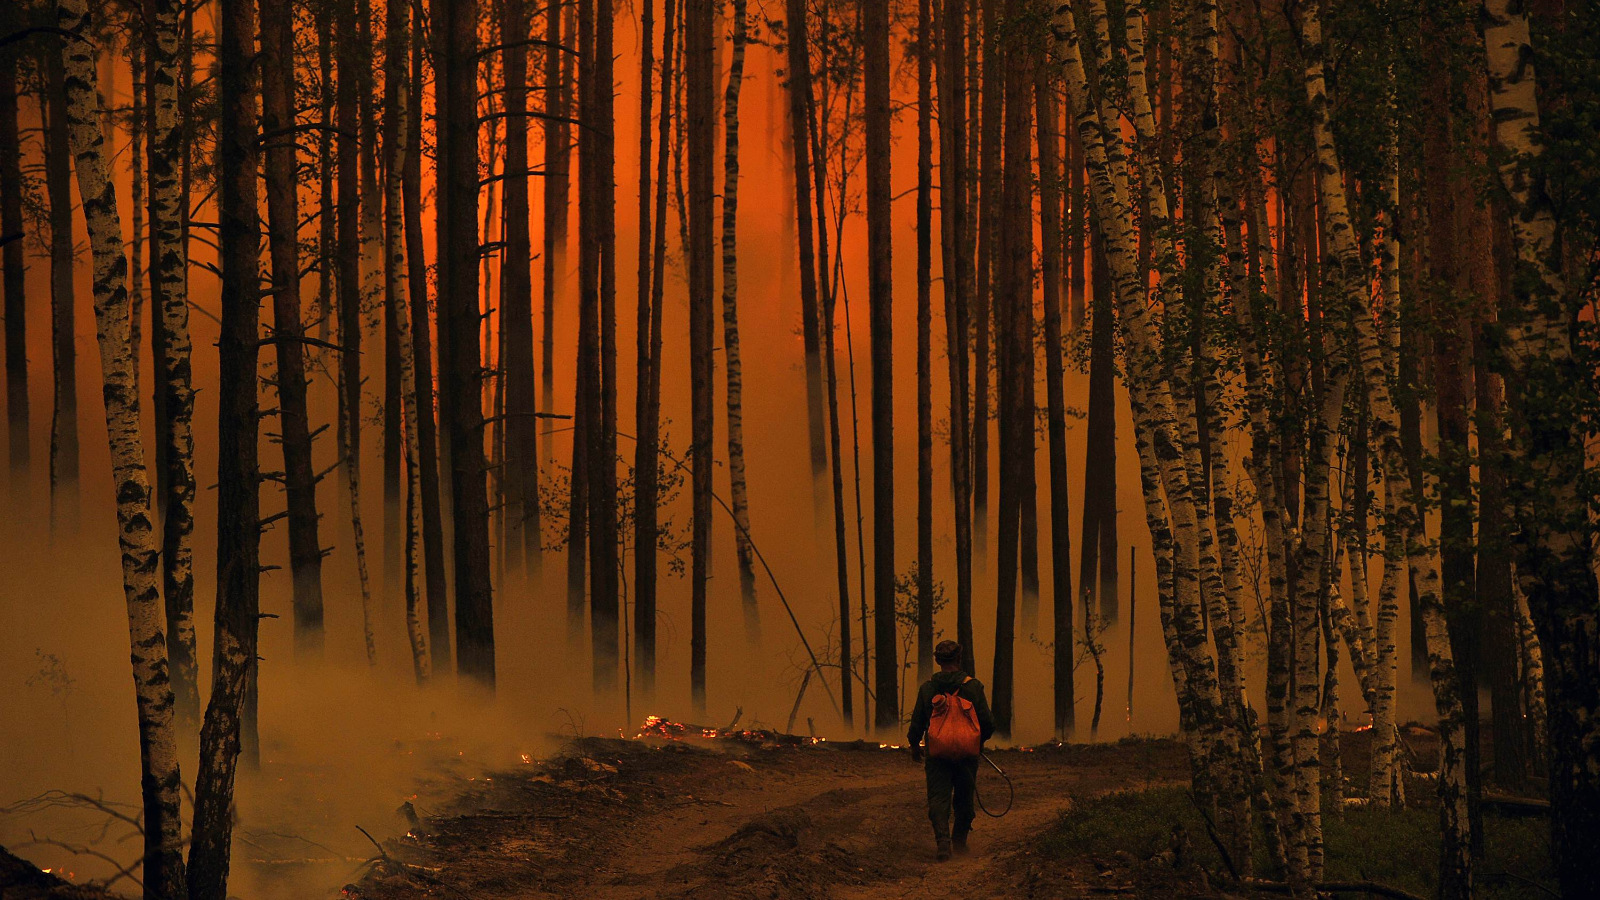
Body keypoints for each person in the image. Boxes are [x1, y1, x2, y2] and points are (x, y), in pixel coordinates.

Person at [906, 640, 995, 861]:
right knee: (964, 798)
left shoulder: (928, 688)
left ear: (937, 660)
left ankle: (943, 843)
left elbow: (917, 722)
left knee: (938, 798)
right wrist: (976, 741)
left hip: (937, 754)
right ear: (959, 658)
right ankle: (960, 843)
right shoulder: (973, 687)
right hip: (967, 755)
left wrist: (915, 745)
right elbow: (988, 722)